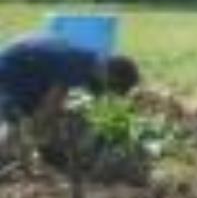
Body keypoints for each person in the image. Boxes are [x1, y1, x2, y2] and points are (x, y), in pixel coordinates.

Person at [0, 34, 141, 152]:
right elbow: (52, 102)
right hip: (17, 67)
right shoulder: (76, 66)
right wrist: (38, 128)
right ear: (109, 75)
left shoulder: (96, 62)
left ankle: (21, 153)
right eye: (112, 87)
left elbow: (92, 95)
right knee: (20, 121)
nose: (108, 91)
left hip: (33, 64)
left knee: (37, 119)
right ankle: (5, 154)